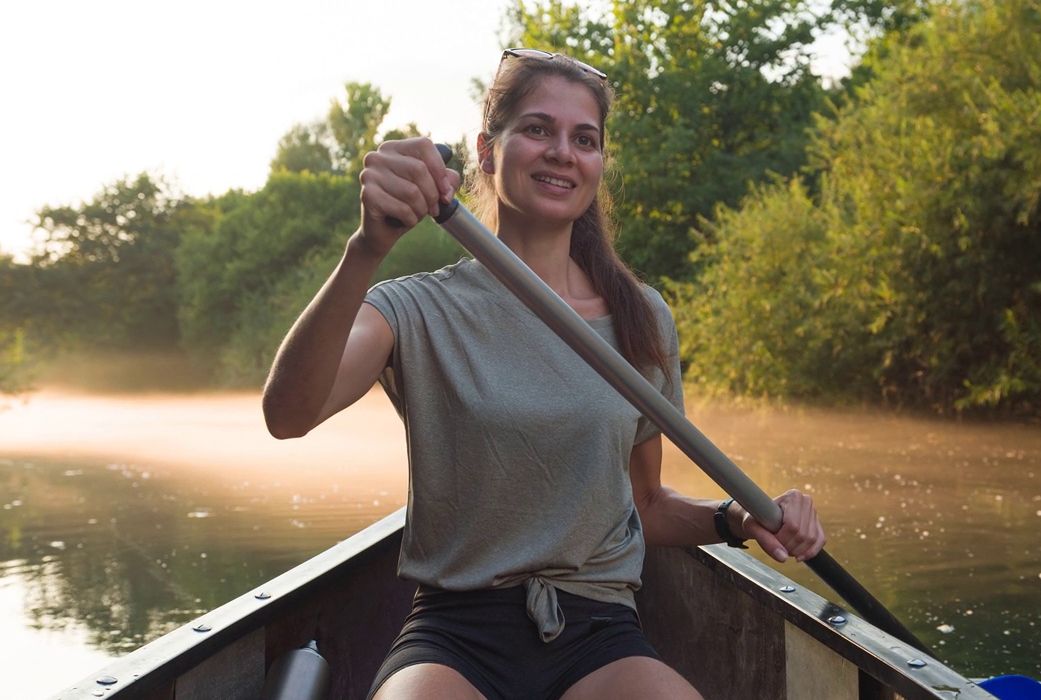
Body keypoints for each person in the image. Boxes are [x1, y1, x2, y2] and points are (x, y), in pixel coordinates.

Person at [261, 48, 826, 700]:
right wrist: (367, 250)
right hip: (455, 630)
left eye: (583, 139)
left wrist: (737, 517)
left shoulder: (640, 317)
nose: (563, 151)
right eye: (537, 129)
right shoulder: (413, 308)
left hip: (600, 630)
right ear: (487, 151)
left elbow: (648, 506)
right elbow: (288, 415)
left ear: (597, 165)